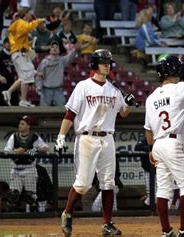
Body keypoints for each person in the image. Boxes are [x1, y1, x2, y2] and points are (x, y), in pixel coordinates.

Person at [54, 49, 135, 236]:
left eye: (108, 62)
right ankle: (67, 213)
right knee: (83, 184)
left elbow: (122, 114)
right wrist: (61, 137)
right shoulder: (83, 86)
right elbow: (70, 114)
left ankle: (107, 223)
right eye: (103, 62)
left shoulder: (114, 89)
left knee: (108, 183)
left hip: (107, 138)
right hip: (87, 138)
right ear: (94, 64)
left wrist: (128, 104)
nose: (107, 65)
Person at [145, 55, 184, 236]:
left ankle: (166, 231)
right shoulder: (179, 88)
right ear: (174, 70)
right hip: (174, 142)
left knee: (164, 189)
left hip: (158, 144)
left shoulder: (151, 97)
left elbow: (148, 129)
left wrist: (151, 149)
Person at [4, 115, 49, 212]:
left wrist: (29, 151)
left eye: (22, 123)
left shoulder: (34, 136)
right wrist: (16, 152)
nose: (20, 125)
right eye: (20, 123)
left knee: (31, 197)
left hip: (29, 169)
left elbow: (46, 148)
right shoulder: (14, 136)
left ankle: (32, 223)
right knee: (13, 196)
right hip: (16, 169)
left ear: (28, 126)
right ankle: (12, 222)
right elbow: (6, 151)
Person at [4, 7, 45, 107]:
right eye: (29, 12)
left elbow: (20, 40)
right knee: (29, 71)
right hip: (18, 54)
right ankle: (22, 100)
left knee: (23, 77)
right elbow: (28, 27)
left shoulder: (18, 23)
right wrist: (39, 21)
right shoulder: (21, 22)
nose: (31, 14)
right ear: (25, 14)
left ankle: (8, 92)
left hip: (19, 53)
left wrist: (29, 45)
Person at [35, 40, 77, 106]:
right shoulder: (44, 61)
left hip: (58, 90)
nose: (54, 48)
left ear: (59, 51)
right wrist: (38, 86)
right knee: (43, 110)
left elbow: (71, 56)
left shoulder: (62, 60)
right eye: (53, 47)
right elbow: (39, 74)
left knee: (62, 108)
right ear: (50, 50)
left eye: (56, 47)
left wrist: (70, 47)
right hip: (46, 90)